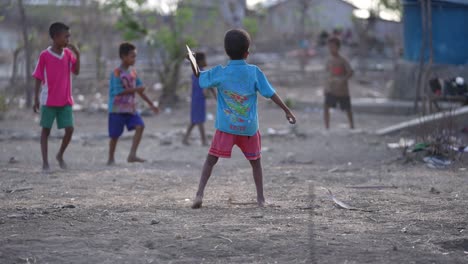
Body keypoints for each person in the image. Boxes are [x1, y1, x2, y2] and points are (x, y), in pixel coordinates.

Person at [187, 29, 296, 209]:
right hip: (248, 129)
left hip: (226, 128)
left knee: (210, 161)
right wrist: (287, 110)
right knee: (256, 163)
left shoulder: (220, 72)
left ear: (226, 51)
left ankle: (199, 194)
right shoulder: (254, 72)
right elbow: (270, 93)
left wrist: (192, 60)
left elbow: (199, 75)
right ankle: (261, 199)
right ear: (247, 52)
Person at [33, 22, 80, 171]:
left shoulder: (68, 54)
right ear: (55, 37)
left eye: (69, 37)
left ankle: (60, 154)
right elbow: (38, 77)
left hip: (65, 100)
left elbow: (76, 71)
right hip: (49, 100)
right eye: (66, 37)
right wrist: (35, 99)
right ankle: (45, 163)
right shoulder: (44, 55)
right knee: (45, 131)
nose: (68, 40)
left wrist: (77, 55)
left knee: (70, 129)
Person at [107, 42, 159, 165]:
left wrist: (151, 104)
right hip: (117, 109)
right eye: (132, 56)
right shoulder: (116, 73)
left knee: (140, 126)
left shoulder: (133, 73)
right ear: (123, 56)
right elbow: (118, 92)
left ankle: (132, 154)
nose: (134, 59)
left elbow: (140, 90)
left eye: (135, 56)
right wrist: (136, 90)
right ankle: (110, 158)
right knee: (115, 135)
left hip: (130, 109)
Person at [182, 52, 216, 146]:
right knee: (199, 120)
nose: (206, 61)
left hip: (196, 99)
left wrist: (214, 95)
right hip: (198, 100)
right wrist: (213, 95)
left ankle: (185, 138)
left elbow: (210, 86)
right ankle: (204, 140)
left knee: (194, 120)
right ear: (200, 62)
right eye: (204, 59)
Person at [324, 37, 354, 130]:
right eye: (329, 47)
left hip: (342, 91)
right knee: (326, 107)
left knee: (347, 109)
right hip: (331, 89)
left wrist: (343, 79)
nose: (331, 49)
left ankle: (352, 127)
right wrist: (325, 87)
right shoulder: (329, 60)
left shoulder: (343, 60)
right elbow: (327, 74)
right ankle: (327, 128)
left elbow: (350, 72)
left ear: (338, 47)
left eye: (333, 47)